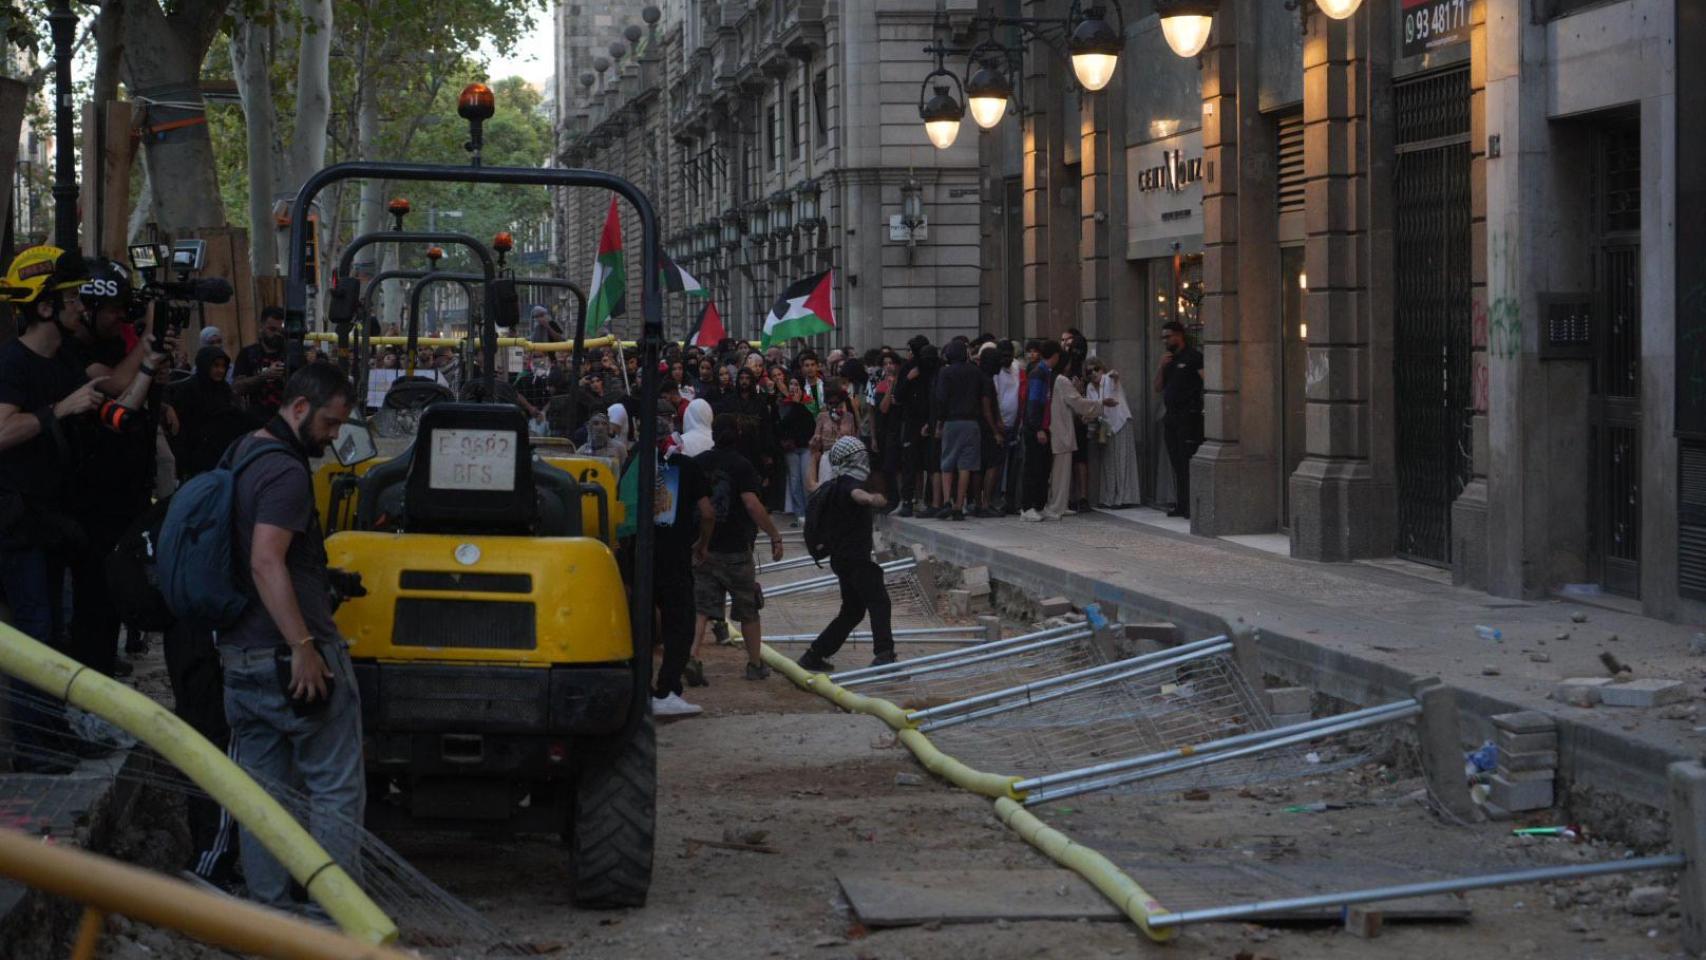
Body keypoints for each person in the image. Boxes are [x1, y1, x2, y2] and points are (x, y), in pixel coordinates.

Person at [220, 363, 364, 912]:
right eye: (329, 423)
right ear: (299, 409)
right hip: (288, 657)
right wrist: (304, 648)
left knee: (263, 797)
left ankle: (268, 916)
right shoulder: (284, 472)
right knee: (334, 789)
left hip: (242, 655)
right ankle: (335, 918)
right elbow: (265, 560)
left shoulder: (242, 451)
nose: (332, 437)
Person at [0, 248, 128, 771]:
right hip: (16, 523)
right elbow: (3, 430)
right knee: (33, 633)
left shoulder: (62, 362)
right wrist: (59, 410)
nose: (82, 304)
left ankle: (53, 736)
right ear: (45, 307)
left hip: (48, 521)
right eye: (71, 296)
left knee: (53, 631)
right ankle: (33, 750)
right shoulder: (12, 362)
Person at [692, 414, 785, 680]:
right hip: (735, 549)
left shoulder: (699, 464)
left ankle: (693, 658)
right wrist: (775, 535)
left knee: (701, 609)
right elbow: (752, 505)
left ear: (712, 433)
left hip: (704, 547)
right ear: (738, 433)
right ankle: (755, 664)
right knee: (748, 608)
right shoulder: (742, 465)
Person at [797, 437, 894, 672]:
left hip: (841, 560)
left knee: (852, 611)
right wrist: (873, 499)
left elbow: (810, 484)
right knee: (879, 601)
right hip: (856, 560)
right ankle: (884, 655)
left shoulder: (831, 485)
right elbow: (857, 495)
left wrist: (813, 456)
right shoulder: (850, 484)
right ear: (855, 459)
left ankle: (814, 655)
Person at [647, 404, 715, 718]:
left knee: (641, 624)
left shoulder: (636, 463)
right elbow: (708, 512)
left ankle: (641, 691)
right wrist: (702, 544)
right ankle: (667, 689)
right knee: (679, 624)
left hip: (641, 554)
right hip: (675, 555)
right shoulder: (686, 467)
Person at [926, 340, 990, 521]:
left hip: (952, 422)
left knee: (947, 462)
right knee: (966, 465)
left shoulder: (945, 372)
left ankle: (947, 500)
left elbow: (941, 399)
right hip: (972, 423)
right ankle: (959, 505)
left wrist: (939, 423)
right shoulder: (976, 372)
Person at [1155, 320, 1204, 519]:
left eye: (1168, 336)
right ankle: (1182, 503)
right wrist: (1161, 366)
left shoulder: (1193, 357)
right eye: (1163, 337)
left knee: (1187, 461)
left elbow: (1206, 380)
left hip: (1188, 416)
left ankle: (1192, 505)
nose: (1166, 341)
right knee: (1176, 462)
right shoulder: (1168, 360)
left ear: (1179, 335)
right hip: (1171, 417)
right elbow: (1158, 387)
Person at [1086, 357, 1139, 508]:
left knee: (1122, 461)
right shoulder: (1090, 387)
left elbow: (1115, 378)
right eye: (1089, 371)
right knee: (1108, 463)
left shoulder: (1108, 379)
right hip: (1105, 428)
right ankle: (1109, 497)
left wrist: (1114, 375)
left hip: (1120, 422)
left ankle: (1124, 498)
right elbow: (1093, 407)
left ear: (1102, 369)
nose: (1093, 373)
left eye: (1096, 369)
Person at [1019, 340, 1057, 521]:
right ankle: (1027, 507)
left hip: (1043, 426)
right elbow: (1034, 402)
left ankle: (1039, 505)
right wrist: (1037, 428)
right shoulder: (1038, 373)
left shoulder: (1046, 373)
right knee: (1033, 467)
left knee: (1043, 467)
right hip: (1036, 427)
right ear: (1055, 356)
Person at [233, 306, 288, 418]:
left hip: (286, 419)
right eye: (272, 329)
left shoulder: (291, 354)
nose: (277, 334)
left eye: (280, 331)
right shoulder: (248, 354)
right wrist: (264, 376)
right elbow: (237, 388)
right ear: (262, 326)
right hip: (257, 420)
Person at [775, 378, 815, 519]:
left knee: (806, 478)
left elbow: (810, 423)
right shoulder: (783, 404)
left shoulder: (809, 402)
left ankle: (809, 510)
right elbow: (783, 424)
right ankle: (799, 512)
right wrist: (795, 405)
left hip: (805, 446)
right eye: (791, 384)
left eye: (796, 384)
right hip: (791, 447)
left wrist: (799, 405)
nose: (793, 388)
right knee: (794, 479)